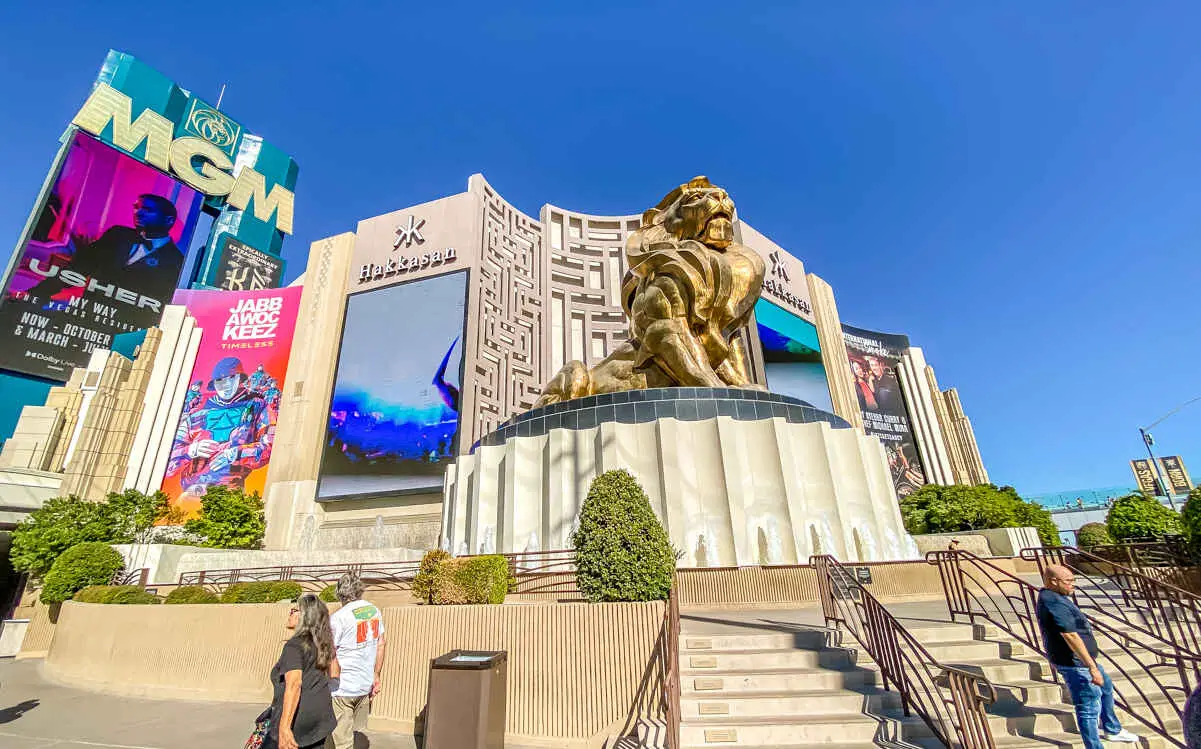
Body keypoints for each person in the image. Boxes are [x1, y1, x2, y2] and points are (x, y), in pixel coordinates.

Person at [24, 194, 185, 321]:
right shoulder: (117, 235)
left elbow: (159, 306)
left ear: (168, 220)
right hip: (83, 316)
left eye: (148, 210)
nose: (138, 213)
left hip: (123, 332)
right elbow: (76, 269)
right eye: (136, 207)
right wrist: (33, 294)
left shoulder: (176, 261)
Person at [1035, 565, 1139, 748]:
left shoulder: (1057, 596)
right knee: (1088, 706)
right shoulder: (1053, 602)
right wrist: (1091, 667)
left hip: (1082, 661)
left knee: (1106, 687)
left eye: (1073, 580)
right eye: (1069, 581)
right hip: (1076, 663)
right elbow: (1070, 635)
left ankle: (1112, 729)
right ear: (1053, 581)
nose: (1073, 585)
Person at [168, 356, 271, 495]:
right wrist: (191, 450)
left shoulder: (257, 406)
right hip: (191, 491)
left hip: (230, 493)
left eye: (231, 379)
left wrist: (235, 454)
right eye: (220, 381)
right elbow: (166, 461)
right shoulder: (197, 412)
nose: (226, 385)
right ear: (214, 384)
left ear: (239, 379)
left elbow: (270, 446)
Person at [269, 595, 337, 749]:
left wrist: (284, 727)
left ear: (304, 616)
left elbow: (294, 684)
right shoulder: (321, 644)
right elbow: (334, 673)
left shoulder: (294, 646)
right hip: (320, 718)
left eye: (294, 610)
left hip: (299, 721)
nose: (290, 613)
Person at [328, 572, 386, 749]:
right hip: (364, 683)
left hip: (342, 687)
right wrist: (376, 674)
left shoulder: (338, 618)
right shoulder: (374, 611)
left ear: (339, 593)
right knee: (347, 734)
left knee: (341, 741)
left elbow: (330, 653)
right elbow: (381, 643)